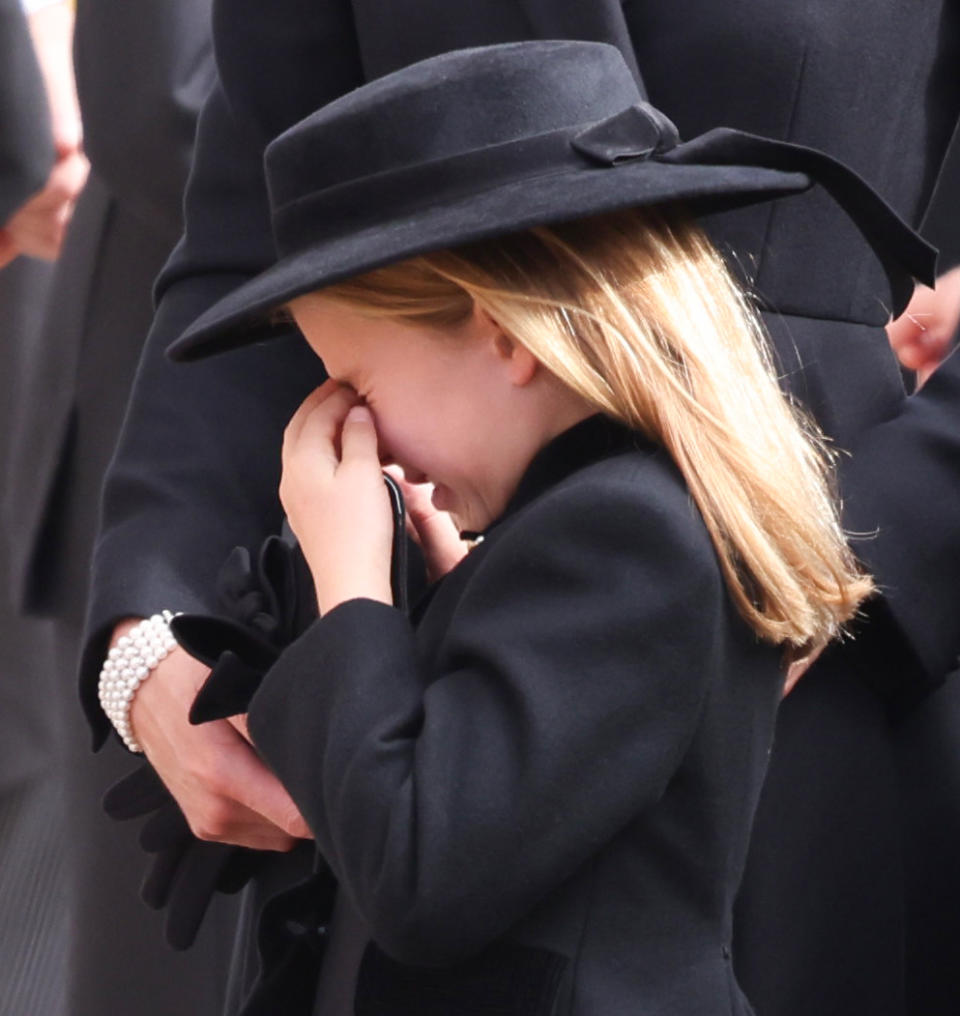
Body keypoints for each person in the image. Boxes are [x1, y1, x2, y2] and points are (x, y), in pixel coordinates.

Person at [85, 4, 960, 1015]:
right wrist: (155, 621)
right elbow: (249, 225)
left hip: (841, 636)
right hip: (413, 662)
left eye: (351, 385)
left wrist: (832, 564)